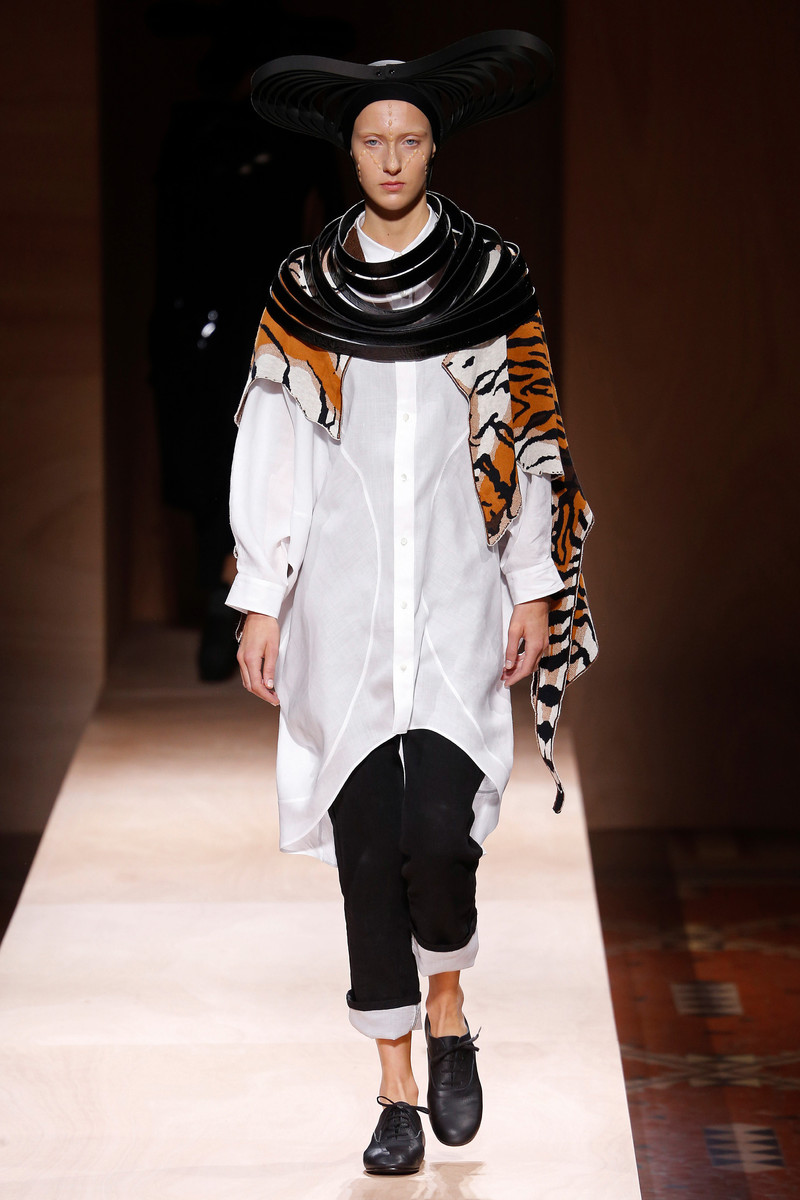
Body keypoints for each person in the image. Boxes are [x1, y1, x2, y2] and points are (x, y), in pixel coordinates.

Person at [225, 31, 597, 1175]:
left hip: (452, 602)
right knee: (365, 850)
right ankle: (393, 1089)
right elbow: (272, 444)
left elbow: (524, 441)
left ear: (435, 147)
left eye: (409, 138)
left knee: (438, 840)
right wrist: (261, 595)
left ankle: (447, 1007)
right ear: (348, 152)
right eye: (371, 140)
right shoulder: (303, 291)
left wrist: (531, 583)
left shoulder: (489, 282)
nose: (390, 158)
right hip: (340, 615)